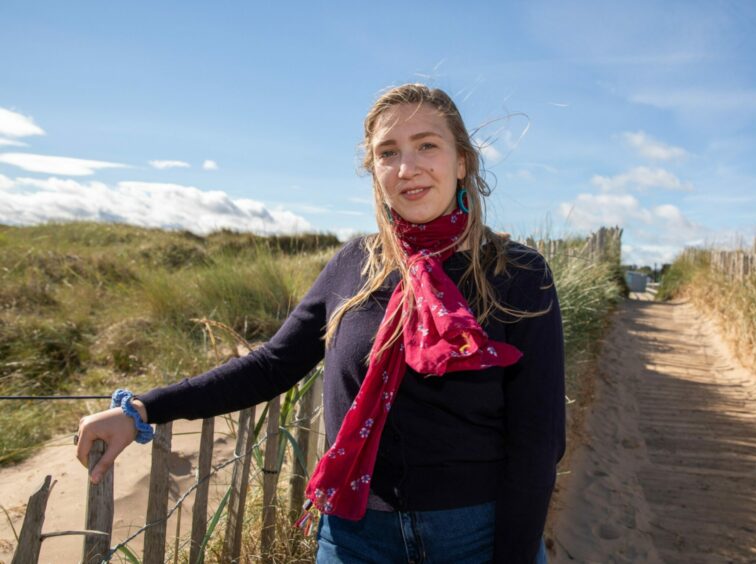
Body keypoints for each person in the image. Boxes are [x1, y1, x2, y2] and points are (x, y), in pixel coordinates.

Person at [76, 83, 565, 563]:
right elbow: (271, 366)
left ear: (461, 161)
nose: (407, 168)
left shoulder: (517, 273)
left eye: (427, 146)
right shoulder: (355, 264)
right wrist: (142, 410)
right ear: (373, 171)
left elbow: (538, 441)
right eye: (387, 152)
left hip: (474, 532)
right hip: (356, 535)